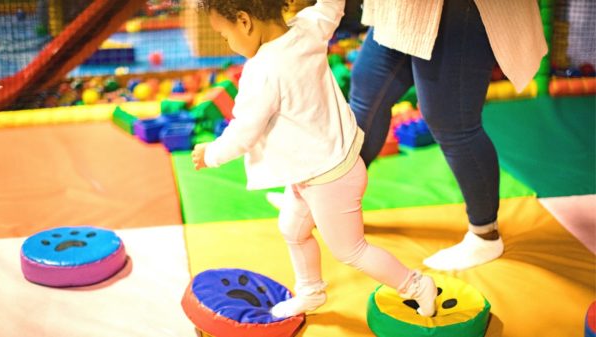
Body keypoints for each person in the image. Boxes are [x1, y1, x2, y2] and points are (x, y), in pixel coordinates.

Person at [192, 0, 438, 318]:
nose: (229, 44)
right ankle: (310, 292)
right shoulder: (308, 27)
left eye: (225, 35)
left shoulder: (262, 72)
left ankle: (416, 285)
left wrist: (209, 154)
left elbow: (243, 133)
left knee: (351, 250)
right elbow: (332, 7)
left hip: (329, 178)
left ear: (244, 21)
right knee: (293, 230)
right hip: (318, 169)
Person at [349, 0, 547, 271]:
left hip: (457, 7)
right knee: (366, 93)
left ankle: (485, 234)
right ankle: (338, 204)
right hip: (401, 7)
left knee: (453, 121)